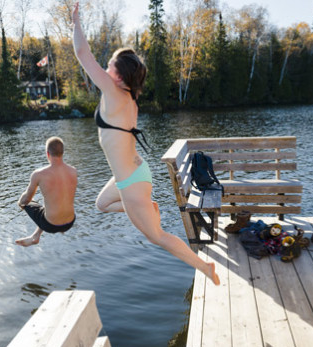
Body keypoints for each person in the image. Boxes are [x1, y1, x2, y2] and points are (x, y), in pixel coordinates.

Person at [67, 1, 218, 284]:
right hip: (130, 175)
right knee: (101, 204)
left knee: (157, 236)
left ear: (119, 75)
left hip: (131, 181)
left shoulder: (114, 92)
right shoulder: (129, 97)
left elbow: (82, 53)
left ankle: (205, 267)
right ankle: (150, 207)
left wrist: (76, 22)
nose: (105, 67)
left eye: (110, 65)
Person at [15, 137, 79, 247]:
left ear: (47, 154)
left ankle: (35, 237)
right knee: (51, 204)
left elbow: (27, 199)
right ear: (62, 153)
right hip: (70, 222)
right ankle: (36, 236)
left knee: (26, 201)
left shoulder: (38, 174)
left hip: (50, 225)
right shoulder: (73, 171)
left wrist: (20, 202)